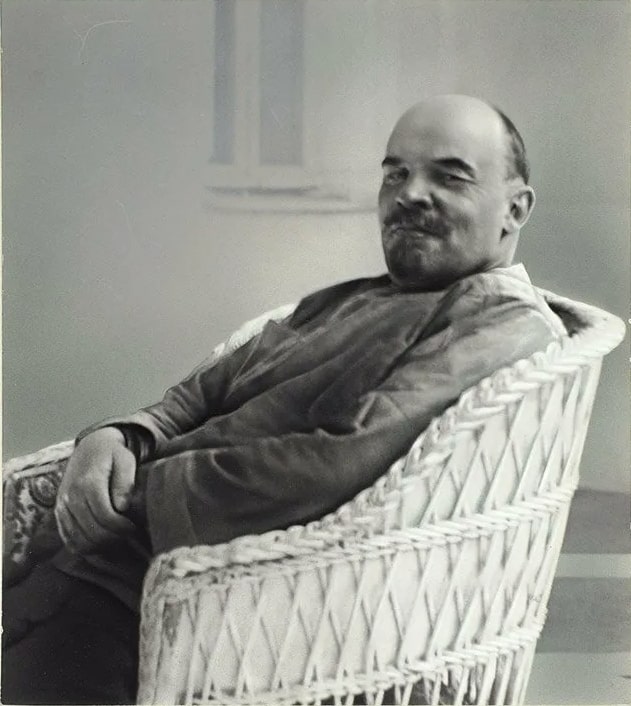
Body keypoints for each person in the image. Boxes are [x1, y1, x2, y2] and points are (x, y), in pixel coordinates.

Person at [2, 94, 566, 704]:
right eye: (395, 174)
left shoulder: (498, 321)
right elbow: (203, 393)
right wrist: (119, 437)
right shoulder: (351, 298)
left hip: (212, 604)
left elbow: (337, 461)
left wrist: (133, 495)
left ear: (515, 208)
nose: (409, 194)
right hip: (121, 554)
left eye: (449, 177)